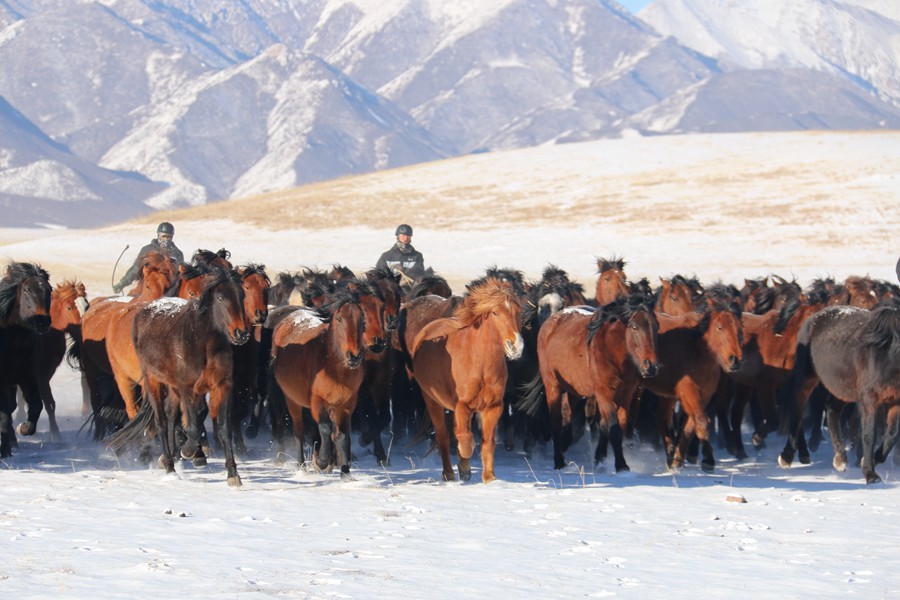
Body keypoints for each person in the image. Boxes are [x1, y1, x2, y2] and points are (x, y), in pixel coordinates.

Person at [113, 221, 184, 293]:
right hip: (147, 288)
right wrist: (121, 284)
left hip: (169, 291)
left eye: (168, 237)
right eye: (163, 236)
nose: (166, 239)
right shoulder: (147, 250)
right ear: (158, 235)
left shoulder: (177, 254)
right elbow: (135, 269)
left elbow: (180, 275)